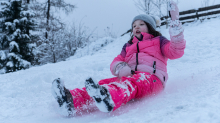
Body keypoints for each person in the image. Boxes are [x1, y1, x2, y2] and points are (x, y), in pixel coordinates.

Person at [51, 1, 186, 116]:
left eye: (141, 24)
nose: (136, 27)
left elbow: (176, 51)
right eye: (134, 26)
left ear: (150, 27)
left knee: (132, 83)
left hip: (151, 79)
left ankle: (108, 97)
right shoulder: (128, 46)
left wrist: (175, 28)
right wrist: (122, 68)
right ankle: (70, 101)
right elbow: (116, 62)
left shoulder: (158, 41)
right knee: (105, 82)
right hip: (130, 76)